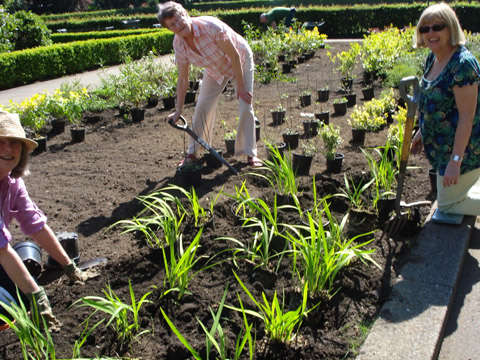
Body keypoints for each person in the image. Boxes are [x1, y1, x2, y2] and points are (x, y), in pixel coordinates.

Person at [0, 112, 96, 330]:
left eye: (14, 142)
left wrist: (70, 268)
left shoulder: (11, 182)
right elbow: (2, 250)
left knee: (21, 288)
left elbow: (36, 225)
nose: (7, 148)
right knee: (7, 311)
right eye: (0, 142)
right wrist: (38, 297)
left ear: (22, 150)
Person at [157, 1, 261, 167]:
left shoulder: (211, 27)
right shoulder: (179, 44)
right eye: (172, 24)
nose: (178, 25)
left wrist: (240, 87)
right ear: (169, 29)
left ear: (186, 14)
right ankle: (192, 153)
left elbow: (234, 56)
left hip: (240, 60)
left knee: (245, 103)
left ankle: (250, 154)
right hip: (215, 67)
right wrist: (178, 110)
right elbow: (183, 79)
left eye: (179, 19)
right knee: (202, 106)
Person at [410, 3, 480, 217]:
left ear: (451, 28)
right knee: (449, 199)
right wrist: (421, 132)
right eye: (425, 28)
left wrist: (455, 162)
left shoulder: (462, 65)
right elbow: (434, 104)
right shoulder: (434, 57)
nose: (431, 33)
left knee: (448, 205)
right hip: (443, 149)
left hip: (465, 150)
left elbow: (467, 118)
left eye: (437, 27)